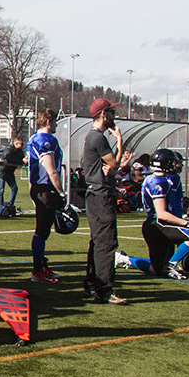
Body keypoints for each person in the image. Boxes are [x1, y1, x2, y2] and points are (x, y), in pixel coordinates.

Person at [115, 149, 189, 280]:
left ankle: (124, 259)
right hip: (157, 225)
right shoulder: (158, 182)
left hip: (155, 225)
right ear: (164, 164)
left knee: (156, 270)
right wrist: (186, 222)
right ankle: (171, 266)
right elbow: (162, 214)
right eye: (172, 162)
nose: (175, 165)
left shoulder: (157, 179)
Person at [82, 98, 132, 305]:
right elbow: (116, 163)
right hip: (101, 196)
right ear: (103, 115)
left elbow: (111, 169)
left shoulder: (93, 137)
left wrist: (112, 170)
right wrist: (119, 140)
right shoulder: (98, 138)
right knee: (106, 243)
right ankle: (103, 289)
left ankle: (91, 284)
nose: (113, 116)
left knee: (97, 242)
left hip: (96, 195)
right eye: (111, 112)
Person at [27, 109, 65, 284]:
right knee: (42, 231)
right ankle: (37, 270)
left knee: (43, 230)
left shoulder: (34, 138)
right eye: (55, 121)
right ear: (49, 122)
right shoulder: (45, 140)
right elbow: (51, 170)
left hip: (39, 188)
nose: (56, 125)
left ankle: (41, 265)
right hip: (45, 188)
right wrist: (61, 192)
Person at [0, 135, 25, 210]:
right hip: (3, 171)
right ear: (16, 143)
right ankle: (1, 207)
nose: (22, 146)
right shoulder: (9, 149)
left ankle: (10, 205)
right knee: (1, 190)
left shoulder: (20, 151)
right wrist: (21, 161)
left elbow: (22, 158)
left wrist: (24, 160)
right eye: (21, 144)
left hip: (10, 172)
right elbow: (9, 159)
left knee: (14, 188)